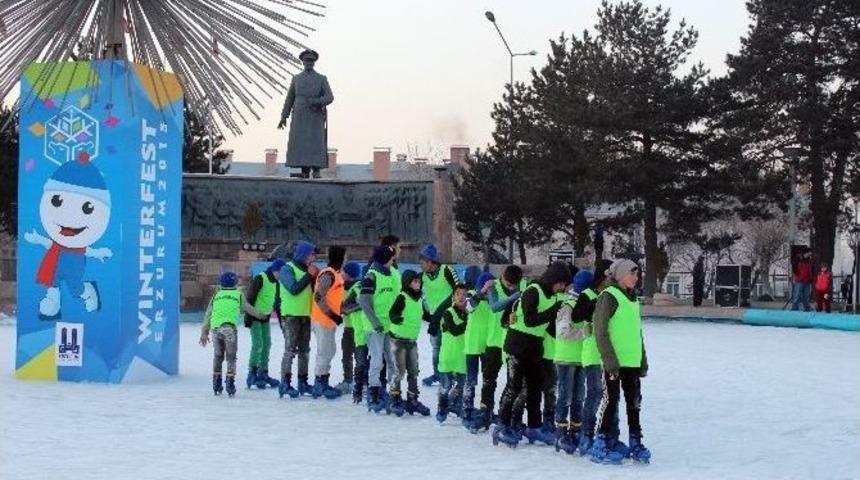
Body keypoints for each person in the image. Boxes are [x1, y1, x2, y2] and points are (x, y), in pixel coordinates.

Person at [493, 262, 570, 448]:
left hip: (535, 347)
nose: (562, 287)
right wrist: (554, 311)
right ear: (552, 279)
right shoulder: (533, 291)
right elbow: (529, 320)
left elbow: (549, 327)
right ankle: (501, 426)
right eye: (561, 283)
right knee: (514, 386)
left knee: (535, 387)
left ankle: (535, 427)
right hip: (517, 345)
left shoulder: (554, 297)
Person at [590, 259, 651, 465]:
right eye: (633, 273)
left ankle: (636, 441)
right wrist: (610, 362)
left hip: (632, 362)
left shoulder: (633, 299)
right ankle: (601, 442)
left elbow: (637, 333)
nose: (636, 277)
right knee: (610, 401)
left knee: (634, 403)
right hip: (614, 363)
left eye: (637, 274)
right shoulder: (608, 296)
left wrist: (642, 361)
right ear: (621, 275)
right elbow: (600, 332)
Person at [472, 265, 525, 433]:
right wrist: (514, 297)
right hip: (494, 341)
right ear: (502, 276)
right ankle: (484, 411)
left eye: (514, 285)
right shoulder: (492, 285)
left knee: (513, 383)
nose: (511, 287)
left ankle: (506, 415)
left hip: (513, 342)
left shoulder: (524, 285)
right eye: (508, 284)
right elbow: (494, 307)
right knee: (489, 380)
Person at [200, 271, 265, 397]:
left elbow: (208, 314)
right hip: (229, 329)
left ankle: (216, 383)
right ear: (235, 282)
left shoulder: (216, 295)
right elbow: (248, 308)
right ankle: (230, 384)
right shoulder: (238, 295)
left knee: (218, 356)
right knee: (231, 357)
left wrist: (204, 332)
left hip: (215, 329)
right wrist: (261, 316)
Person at [578, 259, 618, 457]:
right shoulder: (588, 294)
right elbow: (577, 316)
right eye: (611, 275)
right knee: (594, 394)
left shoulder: (614, 295)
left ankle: (611, 435)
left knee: (611, 398)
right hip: (593, 353)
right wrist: (596, 304)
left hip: (611, 355)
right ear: (604, 276)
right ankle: (586, 434)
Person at [553, 268, 595, 454]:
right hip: (566, 358)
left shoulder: (586, 304)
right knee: (565, 396)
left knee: (579, 397)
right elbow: (562, 331)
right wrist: (583, 333)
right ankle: (560, 431)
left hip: (581, 358)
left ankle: (575, 429)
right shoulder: (568, 305)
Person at [277, 49, 334, 179]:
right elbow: (290, 98)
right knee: (300, 143)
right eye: (307, 60)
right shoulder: (296, 79)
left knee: (315, 142)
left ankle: (316, 169)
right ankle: (304, 169)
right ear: (303, 62)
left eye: (311, 60)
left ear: (314, 62)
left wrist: (317, 101)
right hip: (299, 115)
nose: (309, 62)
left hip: (315, 115)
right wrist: (284, 116)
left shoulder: (321, 79)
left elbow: (329, 97)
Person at [359, 245, 399, 413]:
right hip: (374, 327)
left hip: (389, 325)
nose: (393, 260)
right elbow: (365, 303)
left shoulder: (390, 274)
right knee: (376, 361)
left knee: (393, 361)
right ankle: (373, 395)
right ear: (385, 258)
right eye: (391, 257)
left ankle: (393, 394)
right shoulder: (371, 276)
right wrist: (376, 323)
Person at [277, 240, 319, 399]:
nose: (313, 259)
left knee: (304, 351)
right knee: (290, 351)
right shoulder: (287, 269)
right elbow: (294, 289)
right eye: (311, 255)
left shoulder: (308, 270)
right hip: (291, 316)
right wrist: (310, 275)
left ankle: (303, 382)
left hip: (305, 315)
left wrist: (315, 278)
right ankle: (285, 383)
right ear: (302, 254)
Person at [387, 270, 431, 417]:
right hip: (397, 340)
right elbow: (392, 313)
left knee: (413, 371)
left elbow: (425, 315)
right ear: (407, 283)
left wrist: (435, 319)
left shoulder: (419, 298)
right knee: (399, 371)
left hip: (412, 341)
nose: (417, 284)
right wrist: (395, 319)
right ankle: (394, 398)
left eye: (419, 281)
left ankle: (413, 399)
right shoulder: (402, 297)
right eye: (414, 281)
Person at [419, 244, 460, 387]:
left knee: (450, 347)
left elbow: (459, 291)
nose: (421, 265)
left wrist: (444, 309)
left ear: (432, 262)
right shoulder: (422, 277)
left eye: (423, 262)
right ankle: (437, 373)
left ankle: (452, 374)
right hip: (434, 319)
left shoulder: (447, 271)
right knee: (436, 347)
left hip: (450, 317)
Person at [310, 246, 347, 399]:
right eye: (345, 256)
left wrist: (341, 311)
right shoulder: (328, 275)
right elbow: (318, 297)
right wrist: (332, 315)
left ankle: (323, 381)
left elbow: (333, 297)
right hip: (323, 319)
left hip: (328, 320)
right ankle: (320, 384)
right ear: (340, 257)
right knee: (324, 352)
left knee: (329, 350)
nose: (346, 259)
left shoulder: (335, 274)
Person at [245, 259, 284, 390]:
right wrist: (249, 318)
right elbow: (250, 297)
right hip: (255, 316)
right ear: (275, 270)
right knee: (258, 344)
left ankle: (263, 372)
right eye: (281, 273)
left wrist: (281, 322)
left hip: (265, 318)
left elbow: (277, 303)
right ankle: (252, 373)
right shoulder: (261, 278)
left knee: (267, 344)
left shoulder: (276, 283)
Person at [462, 272, 495, 429]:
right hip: (473, 345)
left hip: (488, 345)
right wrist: (481, 292)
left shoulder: (494, 298)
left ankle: (485, 409)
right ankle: (467, 410)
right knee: (471, 379)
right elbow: (467, 307)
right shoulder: (473, 295)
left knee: (488, 380)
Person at [436, 284, 470, 424]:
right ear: (453, 297)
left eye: (464, 294)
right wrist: (469, 322)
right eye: (458, 294)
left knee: (461, 385)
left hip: (462, 356)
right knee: (446, 386)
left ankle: (455, 405)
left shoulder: (469, 313)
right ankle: (442, 407)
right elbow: (455, 330)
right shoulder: (448, 313)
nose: (461, 297)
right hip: (448, 356)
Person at [342, 264, 370, 403]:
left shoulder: (377, 289)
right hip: (359, 332)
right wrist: (361, 305)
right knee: (360, 362)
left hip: (373, 332)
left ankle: (370, 387)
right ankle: (358, 390)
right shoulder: (357, 288)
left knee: (373, 362)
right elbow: (345, 307)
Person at [336, 261, 363, 395]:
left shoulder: (359, 286)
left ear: (349, 274)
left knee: (360, 357)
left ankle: (362, 383)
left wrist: (345, 309)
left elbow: (361, 304)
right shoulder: (341, 287)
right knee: (346, 356)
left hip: (359, 328)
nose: (341, 273)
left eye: (343, 271)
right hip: (348, 327)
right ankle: (348, 381)